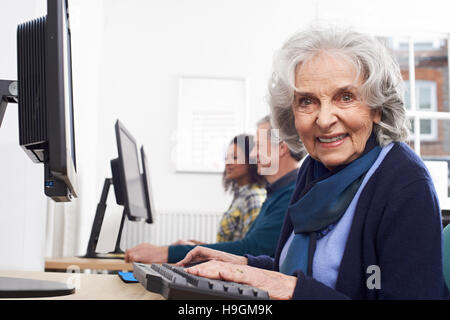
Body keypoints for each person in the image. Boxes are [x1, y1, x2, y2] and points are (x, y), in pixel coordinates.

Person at [176, 25, 450, 300]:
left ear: (376, 107)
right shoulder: (314, 167)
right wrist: (245, 266)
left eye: (345, 97)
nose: (324, 119)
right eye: (307, 101)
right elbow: (304, 272)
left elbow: (300, 286)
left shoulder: (406, 184)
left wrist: (291, 289)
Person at [124, 116, 304, 264]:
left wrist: (167, 253)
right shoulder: (277, 192)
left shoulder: (291, 193)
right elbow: (251, 247)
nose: (252, 154)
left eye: (258, 145)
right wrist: (196, 249)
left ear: (281, 148)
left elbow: (252, 248)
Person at [172, 134, 266, 245]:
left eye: (235, 157)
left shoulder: (253, 197)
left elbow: (247, 249)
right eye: (226, 158)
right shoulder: (242, 194)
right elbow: (232, 246)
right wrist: (199, 246)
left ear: (251, 160)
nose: (228, 162)